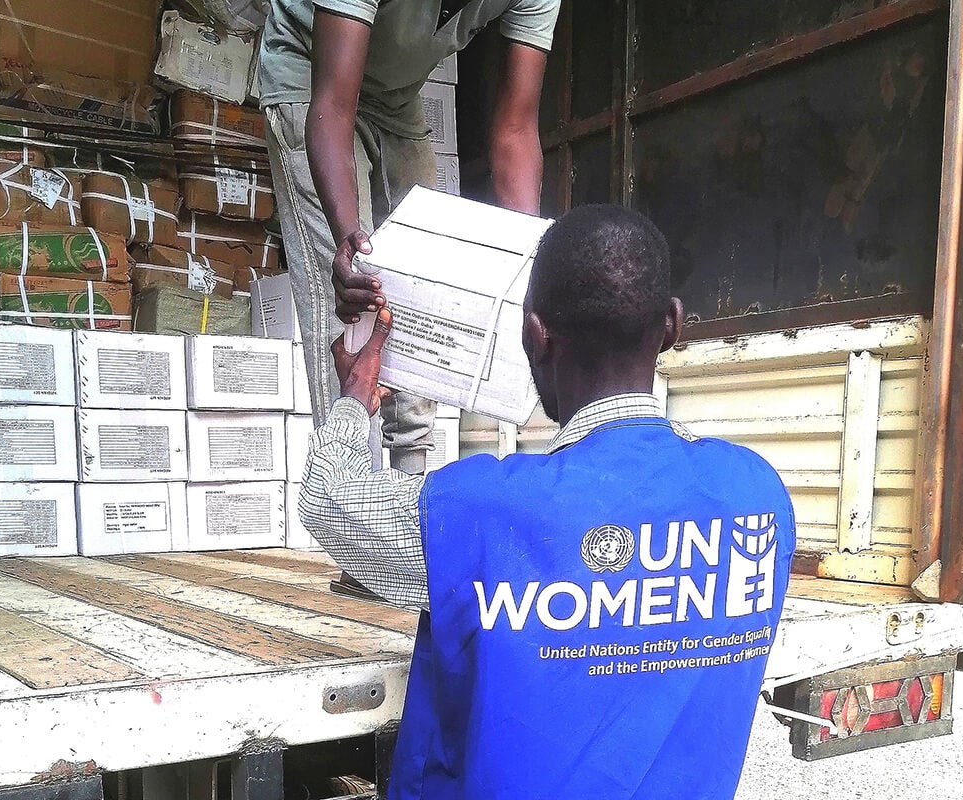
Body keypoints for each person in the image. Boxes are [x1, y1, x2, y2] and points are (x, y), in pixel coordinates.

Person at [299, 204, 797, 799]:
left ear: (536, 334)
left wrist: (357, 395)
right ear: (672, 325)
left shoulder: (480, 513)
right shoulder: (756, 496)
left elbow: (327, 498)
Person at [256, 0, 559, 476]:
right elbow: (334, 104)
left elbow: (517, 128)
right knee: (348, 298)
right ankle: (349, 496)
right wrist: (345, 237)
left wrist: (528, 265)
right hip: (311, 71)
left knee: (423, 276)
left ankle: (412, 482)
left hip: (397, 99)